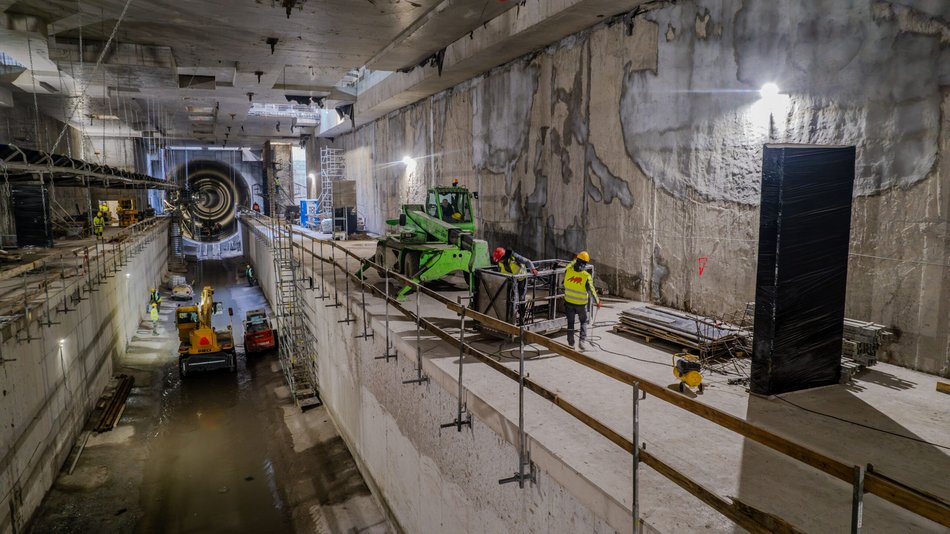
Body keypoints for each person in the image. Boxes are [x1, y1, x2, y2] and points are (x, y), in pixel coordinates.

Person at [562, 251, 600, 351]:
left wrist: (574, 260)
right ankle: (582, 341)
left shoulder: (568, 270)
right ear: (586, 263)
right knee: (583, 321)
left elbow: (569, 265)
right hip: (581, 305)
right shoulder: (586, 276)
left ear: (577, 260)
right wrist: (598, 301)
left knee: (570, 322)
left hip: (569, 302)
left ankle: (571, 343)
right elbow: (591, 290)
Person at [492, 247, 539, 323]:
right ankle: (511, 318)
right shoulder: (500, 262)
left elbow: (527, 261)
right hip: (511, 280)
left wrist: (533, 269)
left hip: (521, 278)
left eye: (500, 259)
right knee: (511, 298)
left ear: (504, 256)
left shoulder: (514, 256)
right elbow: (499, 270)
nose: (500, 261)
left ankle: (522, 317)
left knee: (521, 298)